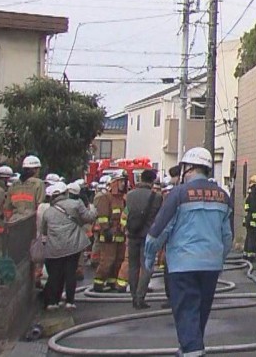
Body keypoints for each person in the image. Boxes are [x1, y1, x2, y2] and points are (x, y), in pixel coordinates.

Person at [144, 147, 232, 357]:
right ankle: (188, 348)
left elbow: (159, 230)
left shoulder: (179, 194)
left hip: (183, 265)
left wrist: (149, 257)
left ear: (189, 168)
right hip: (211, 265)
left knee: (185, 312)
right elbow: (227, 236)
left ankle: (192, 350)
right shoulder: (223, 196)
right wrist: (219, 258)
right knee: (200, 314)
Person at [39, 182, 95, 310]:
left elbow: (44, 231)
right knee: (70, 273)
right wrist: (93, 208)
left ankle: (53, 302)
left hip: (54, 248)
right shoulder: (75, 204)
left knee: (55, 275)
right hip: (72, 246)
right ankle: (70, 301)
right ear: (66, 193)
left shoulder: (48, 212)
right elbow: (89, 217)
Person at [124, 169, 163, 309]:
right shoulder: (156, 197)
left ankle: (134, 296)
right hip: (148, 235)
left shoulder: (129, 195)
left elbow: (126, 214)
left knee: (133, 266)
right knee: (147, 267)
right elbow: (159, 217)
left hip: (132, 233)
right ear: (152, 181)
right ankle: (140, 297)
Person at [92, 171, 128, 292]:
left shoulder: (123, 199)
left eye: (124, 181)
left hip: (120, 235)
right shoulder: (105, 197)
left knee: (118, 260)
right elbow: (102, 216)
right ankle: (98, 283)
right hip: (108, 235)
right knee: (107, 261)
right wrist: (106, 229)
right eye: (120, 181)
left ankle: (112, 281)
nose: (123, 184)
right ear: (114, 183)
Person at [6, 154, 45, 221]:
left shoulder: (14, 184)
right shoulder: (39, 183)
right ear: (35, 169)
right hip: (30, 220)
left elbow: (8, 206)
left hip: (14, 220)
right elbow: (40, 206)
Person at [242, 175, 256, 260]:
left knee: (249, 238)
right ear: (254, 185)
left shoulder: (251, 195)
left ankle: (246, 255)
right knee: (253, 239)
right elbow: (255, 210)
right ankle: (251, 257)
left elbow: (247, 208)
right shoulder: (254, 196)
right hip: (253, 221)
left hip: (249, 220)